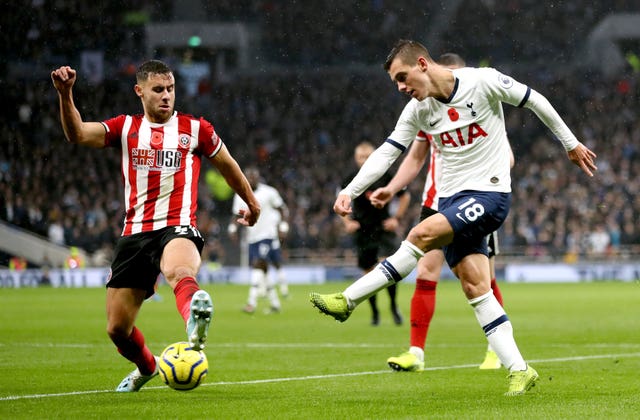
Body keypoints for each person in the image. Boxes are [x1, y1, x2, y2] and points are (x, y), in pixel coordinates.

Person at [310, 40, 597, 396]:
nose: (400, 87)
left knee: (419, 234)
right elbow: (388, 152)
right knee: (475, 285)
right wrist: (350, 191)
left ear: (421, 64)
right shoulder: (419, 110)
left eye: (402, 77)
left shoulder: (484, 82)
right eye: (395, 82)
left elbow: (534, 99)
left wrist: (570, 143)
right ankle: (519, 369)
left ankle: (348, 300)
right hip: (450, 200)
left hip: (489, 195)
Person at [51, 60, 260, 392]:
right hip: (134, 232)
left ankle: (195, 317)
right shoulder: (124, 128)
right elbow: (76, 134)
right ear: (140, 91)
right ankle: (147, 368)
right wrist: (65, 94)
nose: (166, 96)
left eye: (171, 89)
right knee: (117, 328)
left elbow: (227, 164)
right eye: (158, 90)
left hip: (177, 226)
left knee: (179, 271)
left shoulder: (196, 129)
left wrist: (252, 202)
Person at [375, 53, 512, 371]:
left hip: (475, 201)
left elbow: (508, 158)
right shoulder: (427, 112)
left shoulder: (480, 110)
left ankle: (497, 349)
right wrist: (392, 188)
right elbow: (414, 158)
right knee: (425, 274)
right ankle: (416, 353)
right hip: (436, 202)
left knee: (483, 280)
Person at [341, 141, 409, 326]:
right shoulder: (351, 178)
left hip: (382, 229)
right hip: (363, 231)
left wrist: (396, 218)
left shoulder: (385, 176)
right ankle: (375, 312)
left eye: (366, 156)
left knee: (388, 268)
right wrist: (347, 222)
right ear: (356, 159)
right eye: (360, 157)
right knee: (368, 273)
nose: (363, 160)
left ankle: (393, 306)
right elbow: (341, 201)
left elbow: (405, 196)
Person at [229, 166, 289, 314]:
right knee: (264, 270)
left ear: (258, 177)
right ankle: (275, 304)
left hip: (267, 236)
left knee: (258, 264)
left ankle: (251, 303)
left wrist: (283, 226)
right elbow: (235, 215)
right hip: (252, 237)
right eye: (248, 177)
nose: (251, 179)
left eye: (254, 176)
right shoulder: (239, 195)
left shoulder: (269, 192)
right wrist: (233, 229)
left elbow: (282, 209)